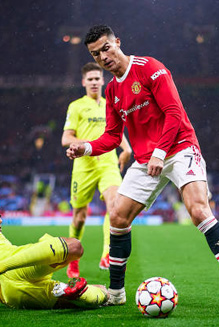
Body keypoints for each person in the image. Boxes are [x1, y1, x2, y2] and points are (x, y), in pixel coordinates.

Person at [66, 24, 219, 313]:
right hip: (147, 159)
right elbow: (111, 136)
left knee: (199, 211)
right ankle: (117, 292)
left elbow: (174, 112)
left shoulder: (150, 68)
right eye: (96, 54)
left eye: (106, 48)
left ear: (117, 42)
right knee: (118, 216)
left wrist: (160, 153)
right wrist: (84, 147)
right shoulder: (112, 90)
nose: (103, 57)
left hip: (180, 147)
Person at [0, 191, 108, 309]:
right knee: (75, 247)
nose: (0, 219)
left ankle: (88, 293)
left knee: (87, 297)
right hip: (18, 268)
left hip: (10, 295)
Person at [62, 62, 132, 277]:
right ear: (84, 82)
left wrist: (127, 149)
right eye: (90, 79)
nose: (94, 82)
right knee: (79, 217)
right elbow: (66, 138)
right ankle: (72, 258)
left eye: (97, 78)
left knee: (115, 205)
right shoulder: (76, 106)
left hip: (108, 163)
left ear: (103, 80)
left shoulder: (111, 104)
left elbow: (116, 132)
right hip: (84, 166)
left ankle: (107, 253)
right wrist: (89, 144)